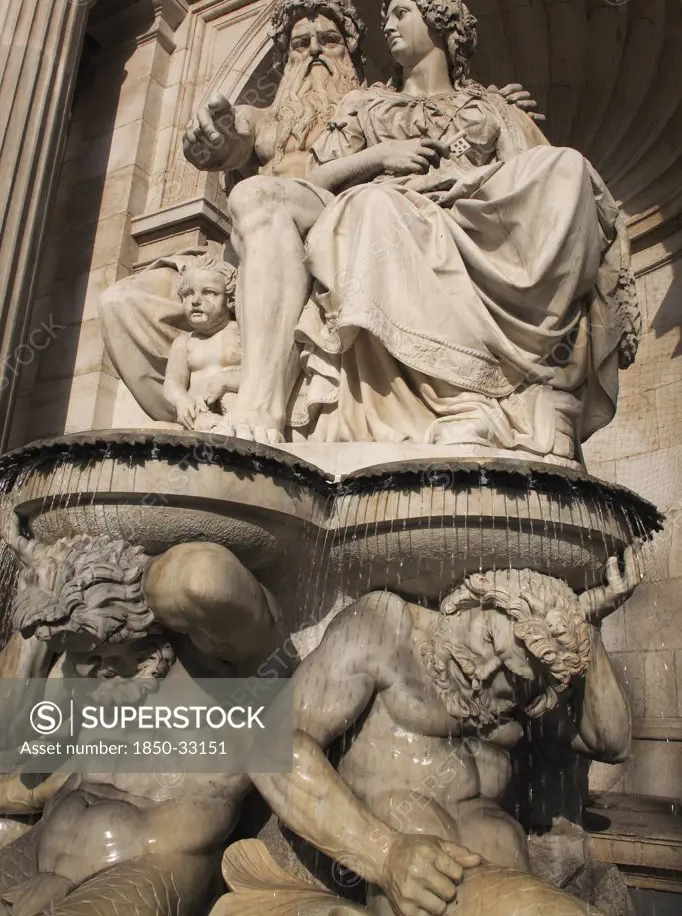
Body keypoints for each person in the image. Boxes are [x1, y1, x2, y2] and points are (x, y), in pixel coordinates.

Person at [219, 0, 637, 455]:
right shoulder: (365, 105)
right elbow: (315, 179)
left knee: (565, 166)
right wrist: (380, 157)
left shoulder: (492, 108)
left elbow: (533, 177)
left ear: (438, 19)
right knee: (374, 206)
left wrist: (470, 181)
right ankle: (456, 398)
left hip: (471, 214)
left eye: (401, 13)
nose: (389, 27)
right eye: (387, 18)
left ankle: (505, 382)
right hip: (387, 212)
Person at [99, 0, 544, 428]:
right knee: (119, 306)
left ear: (352, 49)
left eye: (328, 40)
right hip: (243, 254)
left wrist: (500, 104)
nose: (314, 51)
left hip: (328, 222)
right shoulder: (264, 118)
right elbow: (229, 140)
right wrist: (208, 140)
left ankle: (258, 404)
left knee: (262, 197)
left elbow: (444, 111)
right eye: (300, 43)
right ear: (284, 59)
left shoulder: (372, 101)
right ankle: (195, 419)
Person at [250, 552, 641, 916]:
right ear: (475, 599)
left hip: (503, 885)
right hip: (399, 881)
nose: (483, 671)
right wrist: (383, 854)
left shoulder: (517, 697)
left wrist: (589, 628)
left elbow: (609, 743)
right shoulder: (386, 628)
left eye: (509, 676)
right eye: (489, 639)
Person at [0, 508, 279, 916]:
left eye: (100, 655)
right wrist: (50, 576)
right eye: (76, 657)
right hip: (41, 848)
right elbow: (20, 756)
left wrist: (143, 581)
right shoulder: (91, 676)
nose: (86, 671)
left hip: (146, 867)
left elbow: (207, 580)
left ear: (144, 629)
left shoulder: (220, 670)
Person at [163, 256, 241, 431]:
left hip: (233, 411)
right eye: (188, 294)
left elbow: (260, 376)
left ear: (230, 299)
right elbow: (172, 382)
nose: (195, 300)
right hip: (195, 418)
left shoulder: (242, 334)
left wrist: (226, 380)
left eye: (209, 292)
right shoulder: (184, 342)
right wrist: (181, 399)